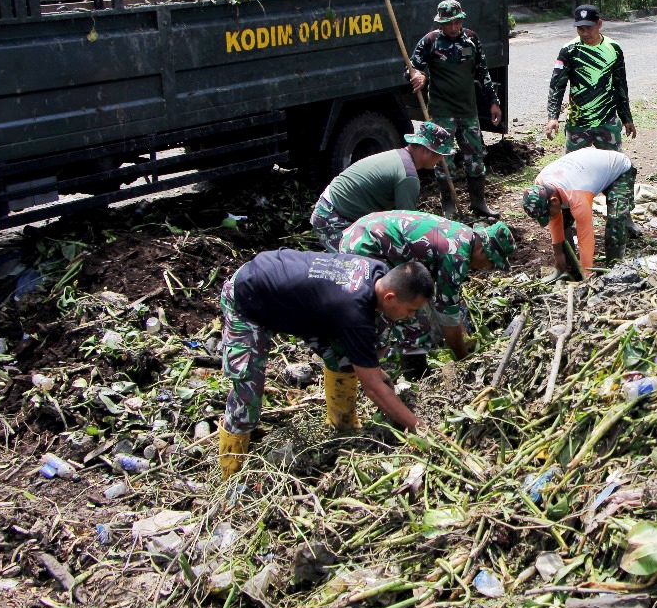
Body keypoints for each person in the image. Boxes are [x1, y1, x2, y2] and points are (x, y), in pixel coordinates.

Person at [216, 250, 434, 478]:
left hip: (298, 304)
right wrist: (421, 430)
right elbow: (373, 388)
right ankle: (231, 474)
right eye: (411, 310)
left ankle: (342, 427)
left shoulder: (377, 272)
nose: (411, 316)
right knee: (247, 396)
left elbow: (365, 354)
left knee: (345, 359)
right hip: (249, 298)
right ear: (389, 298)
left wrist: (374, 370)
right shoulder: (354, 309)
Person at [338, 213, 516, 366]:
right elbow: (447, 316)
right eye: (492, 263)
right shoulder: (457, 257)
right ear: (483, 251)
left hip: (363, 231)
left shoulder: (463, 235)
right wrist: (464, 358)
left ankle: (373, 359)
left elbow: (449, 299)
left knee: (406, 308)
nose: (488, 268)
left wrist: (463, 334)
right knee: (409, 319)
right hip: (366, 245)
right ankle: (408, 373)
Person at [408, 0, 503, 218]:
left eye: (457, 22)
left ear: (462, 20)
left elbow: (483, 72)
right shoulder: (430, 41)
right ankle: (448, 206)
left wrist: (493, 102)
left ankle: (479, 203)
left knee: (475, 158)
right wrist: (419, 76)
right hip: (442, 113)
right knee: (443, 160)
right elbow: (412, 68)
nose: (453, 27)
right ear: (440, 23)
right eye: (448, 23)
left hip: (468, 112)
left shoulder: (472, 39)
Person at [309, 123, 455, 251]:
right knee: (360, 267)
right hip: (332, 217)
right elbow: (408, 229)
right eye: (440, 154)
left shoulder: (398, 155)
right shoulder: (408, 177)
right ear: (427, 150)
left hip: (333, 206)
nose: (441, 159)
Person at [521, 148, 636, 276]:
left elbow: (585, 239)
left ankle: (614, 268)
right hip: (587, 169)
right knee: (563, 219)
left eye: (547, 214)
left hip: (619, 170)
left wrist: (586, 275)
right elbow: (555, 220)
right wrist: (558, 255)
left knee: (616, 218)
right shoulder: (540, 184)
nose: (549, 217)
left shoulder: (578, 197)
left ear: (554, 201)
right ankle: (571, 269)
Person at [545, 5, 636, 152]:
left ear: (599, 24)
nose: (585, 33)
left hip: (607, 121)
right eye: (580, 29)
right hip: (578, 122)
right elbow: (557, 86)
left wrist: (626, 118)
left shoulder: (614, 48)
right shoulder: (569, 50)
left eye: (589, 28)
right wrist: (553, 117)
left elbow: (620, 85)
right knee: (575, 165)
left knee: (612, 164)